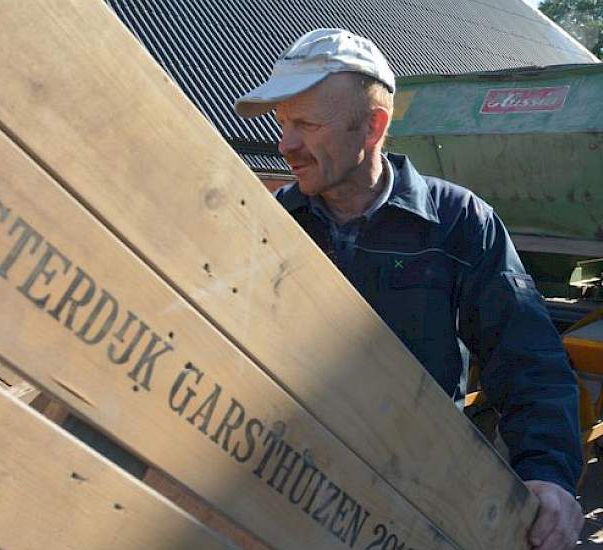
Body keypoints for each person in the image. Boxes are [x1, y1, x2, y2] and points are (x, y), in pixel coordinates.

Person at [235, 28, 584, 550]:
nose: (285, 144)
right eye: (283, 123)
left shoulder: (459, 222)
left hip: (416, 499)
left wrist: (550, 475)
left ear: (373, 126)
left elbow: (526, 356)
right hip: (288, 484)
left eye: (305, 124)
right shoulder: (272, 221)